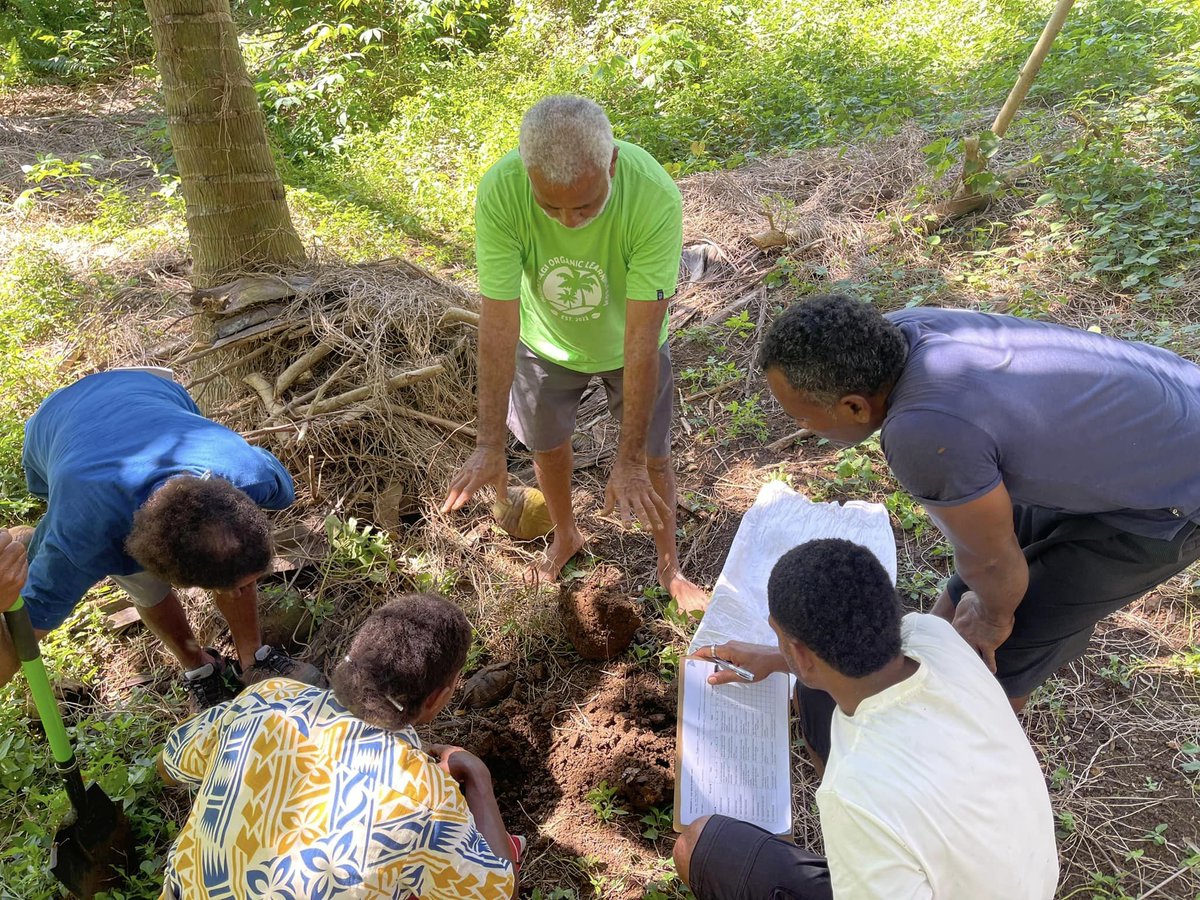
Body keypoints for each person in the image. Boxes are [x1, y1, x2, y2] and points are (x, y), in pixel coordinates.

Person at [757, 294, 1200, 758]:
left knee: (1010, 645)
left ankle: (963, 765)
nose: (801, 426)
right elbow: (983, 553)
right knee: (979, 584)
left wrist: (992, 618)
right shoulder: (901, 335)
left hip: (1174, 491)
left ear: (854, 407)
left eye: (800, 415)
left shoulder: (920, 431)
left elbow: (992, 565)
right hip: (1154, 418)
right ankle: (898, 695)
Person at [673, 539, 1059, 899]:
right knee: (813, 693)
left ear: (802, 654)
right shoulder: (934, 635)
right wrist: (775, 659)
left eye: (778, 638)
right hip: (1024, 877)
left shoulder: (852, 794)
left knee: (697, 846)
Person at [440, 94, 707, 611]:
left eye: (584, 205)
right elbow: (498, 320)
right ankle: (566, 534)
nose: (567, 221)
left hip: (630, 346)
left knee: (653, 457)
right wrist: (489, 443)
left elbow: (641, 335)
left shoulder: (652, 196)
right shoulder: (502, 190)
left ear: (611, 163)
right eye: (550, 206)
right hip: (543, 344)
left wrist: (627, 458)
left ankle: (670, 565)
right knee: (546, 446)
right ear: (527, 173)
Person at [158, 592, 520, 900]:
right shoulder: (425, 800)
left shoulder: (266, 698)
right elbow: (500, 893)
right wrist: (477, 777)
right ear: (438, 698)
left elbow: (169, 765)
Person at [0, 369, 324, 710]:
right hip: (54, 422)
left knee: (229, 556)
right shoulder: (81, 541)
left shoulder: (251, 475)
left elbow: (262, 496)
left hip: (146, 388)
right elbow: (9, 656)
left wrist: (235, 575)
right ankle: (199, 668)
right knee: (143, 584)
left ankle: (254, 659)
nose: (240, 592)